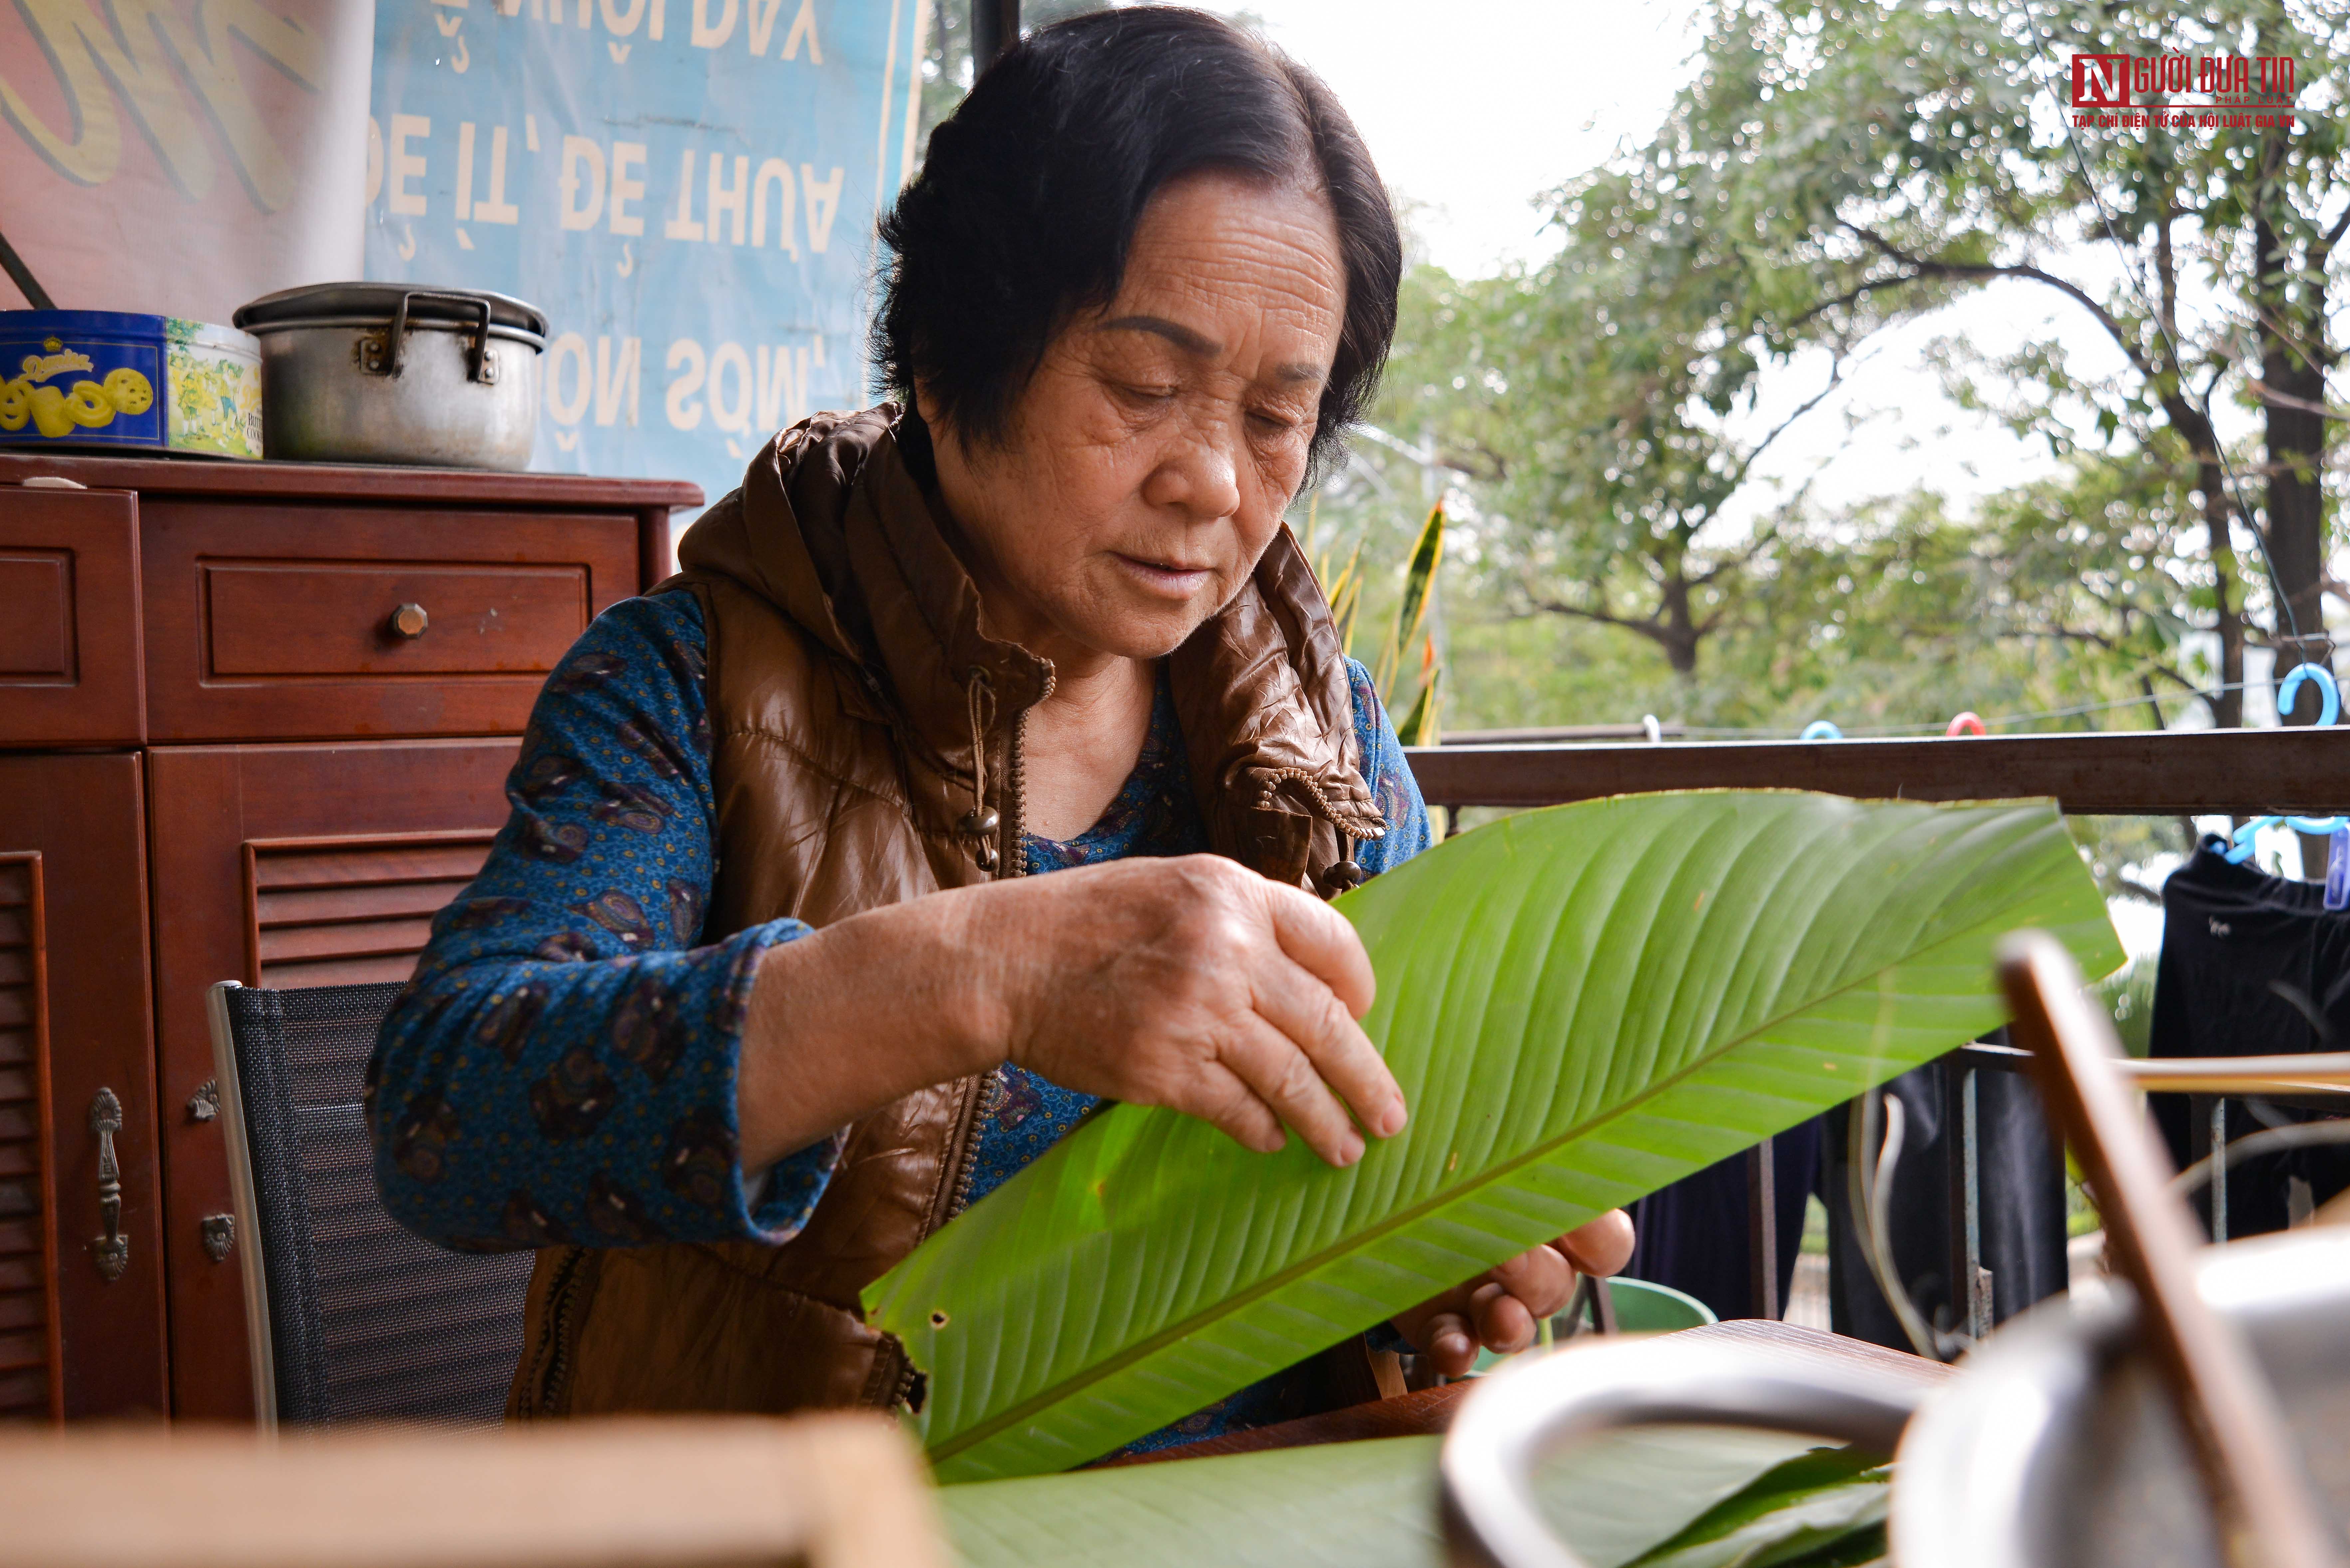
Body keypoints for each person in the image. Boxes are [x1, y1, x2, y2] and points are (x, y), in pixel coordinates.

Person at [369, 5, 1632, 1447]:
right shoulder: (693, 680)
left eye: (1277, 417)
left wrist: (1444, 1248)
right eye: (1145, 388)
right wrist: (988, 971)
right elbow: (444, 1120)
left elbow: (1402, 1118)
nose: (1214, 481)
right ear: (950, 352)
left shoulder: (1319, 727)